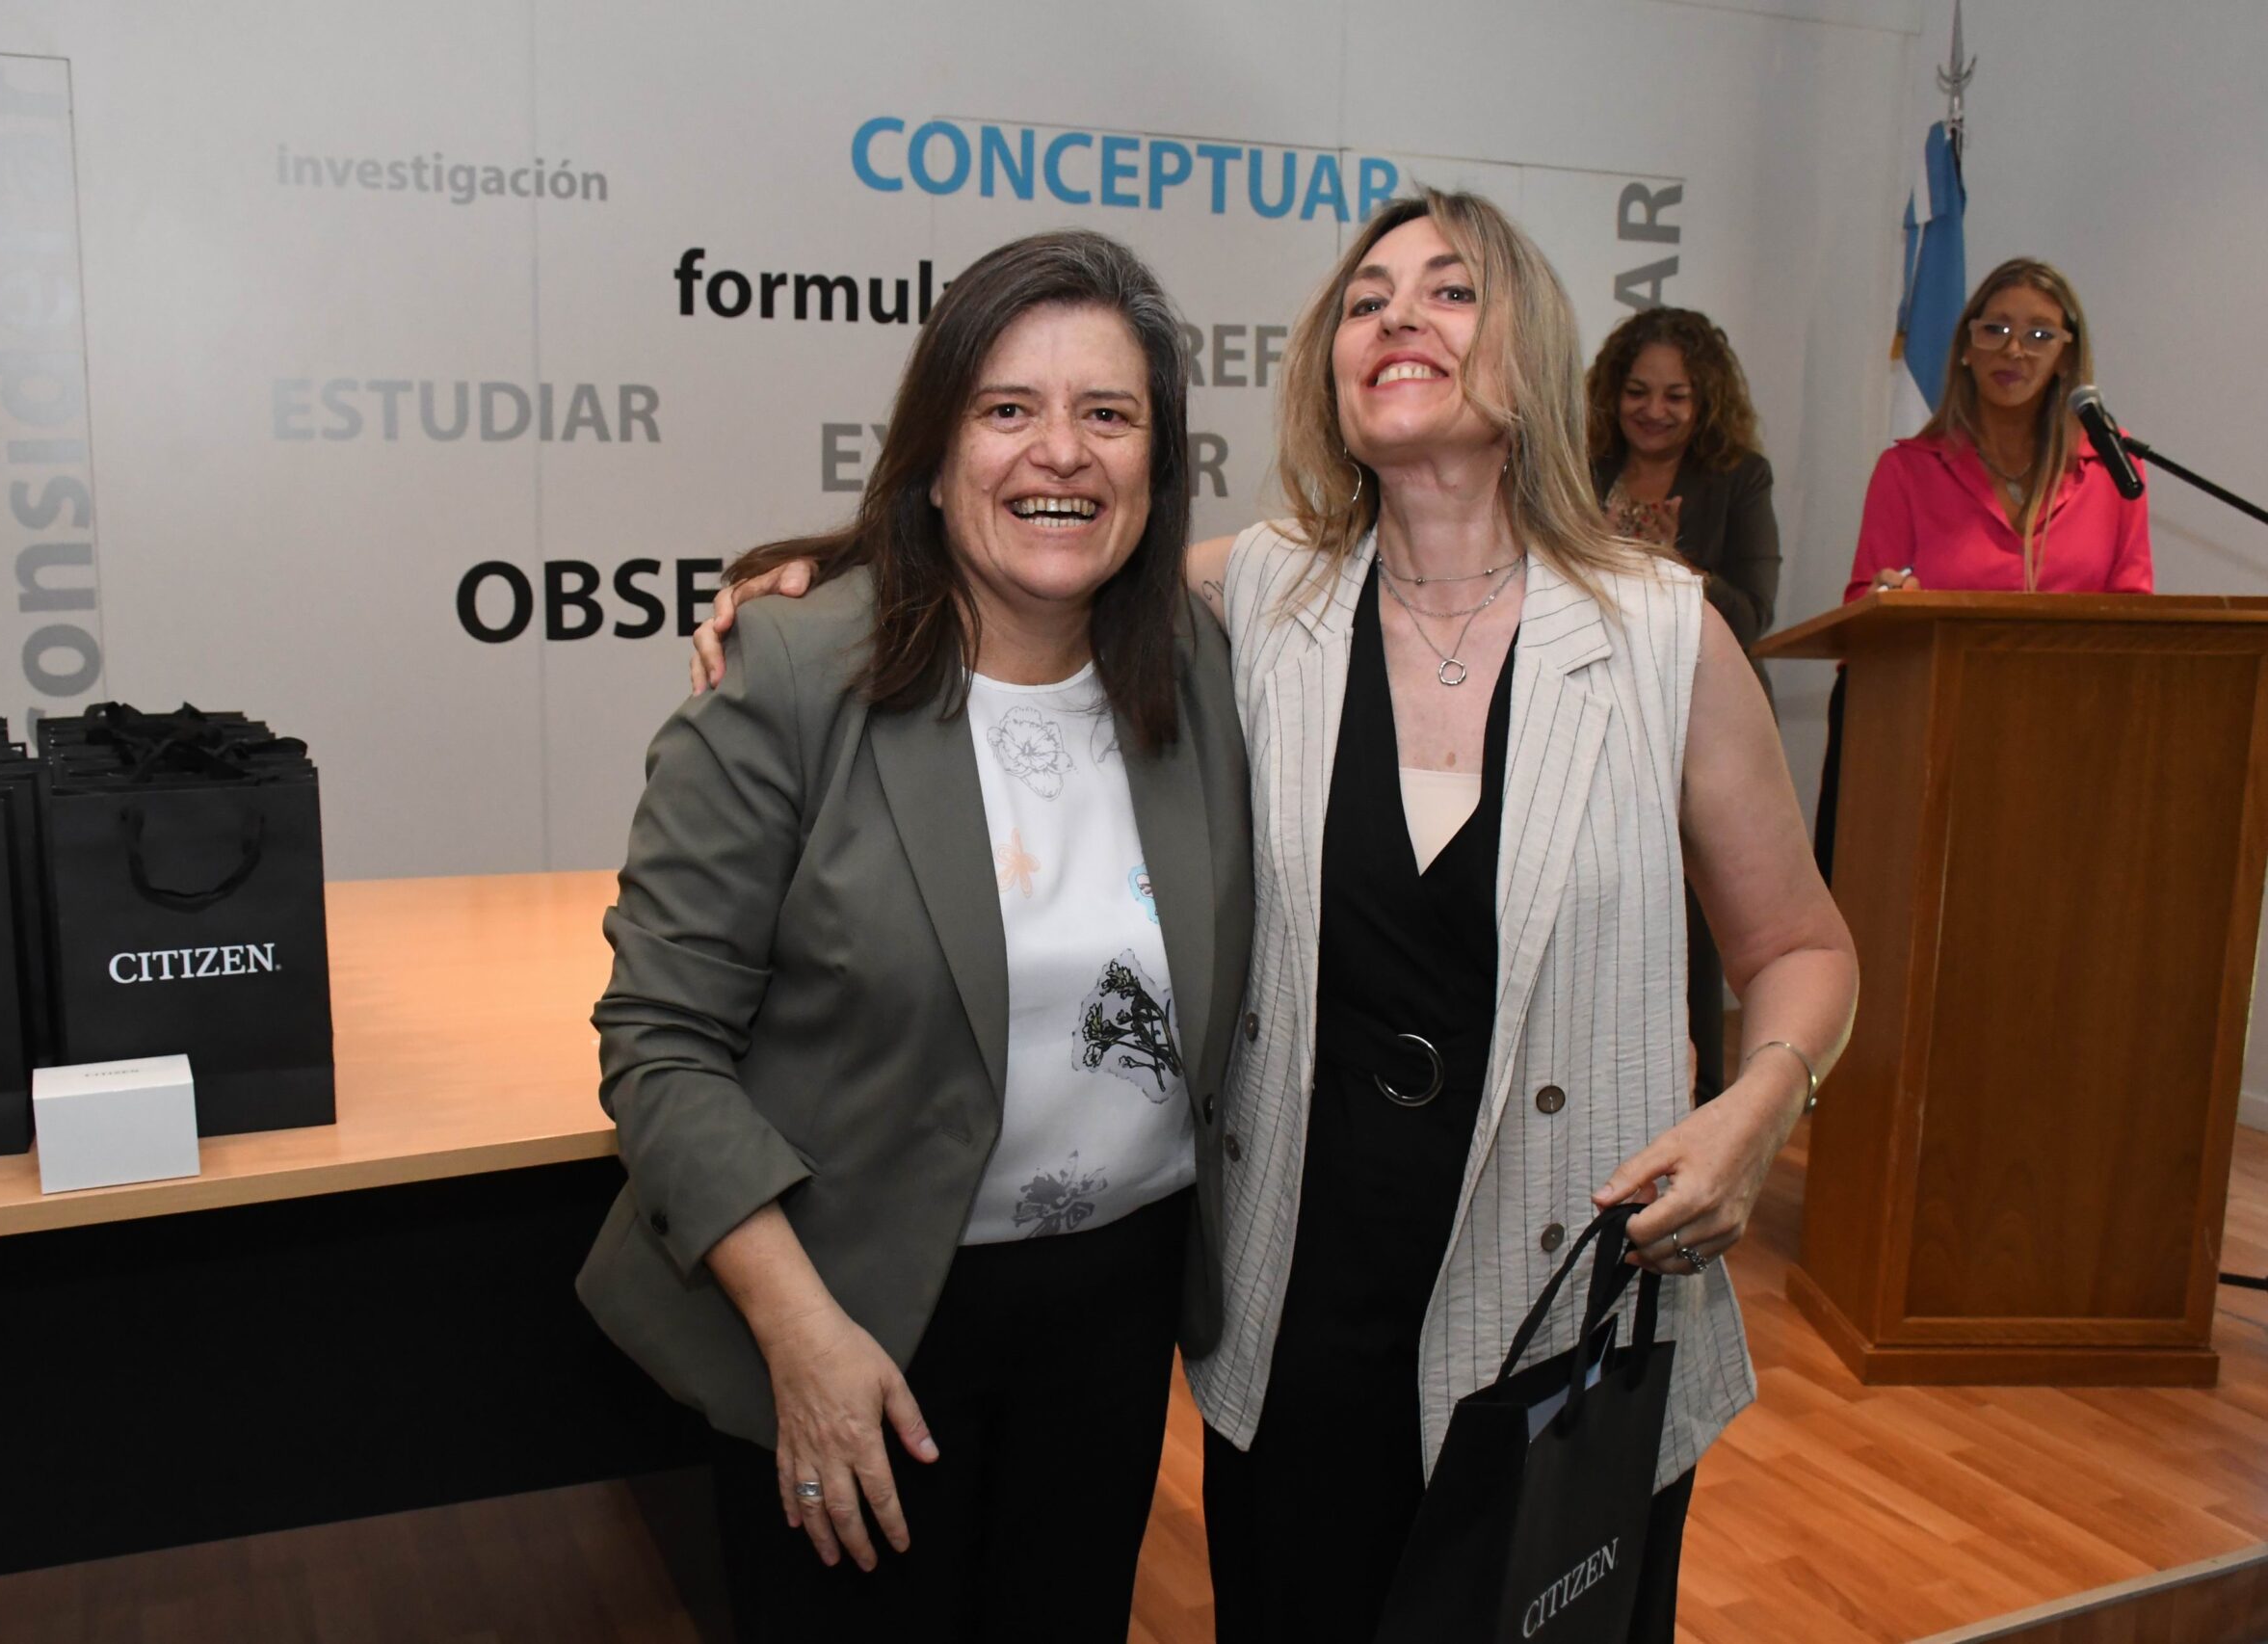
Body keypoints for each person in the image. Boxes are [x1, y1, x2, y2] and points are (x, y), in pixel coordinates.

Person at [693, 190, 1859, 1644]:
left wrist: (1761, 1105)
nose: (1397, 317)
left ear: (1532, 344)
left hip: (1564, 1298)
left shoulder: (1661, 634)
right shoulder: (1261, 597)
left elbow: (1800, 949)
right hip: (1304, 1300)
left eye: (1448, 290)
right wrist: (815, 582)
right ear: (1329, 364)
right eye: (1366, 300)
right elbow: (1025, 553)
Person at [580, 228, 1255, 1644]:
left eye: (1109, 413)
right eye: (1007, 409)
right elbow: (661, 1044)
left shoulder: (1197, 665)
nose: (1060, 452)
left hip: (1114, 1313)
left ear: (1158, 461)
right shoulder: (793, 670)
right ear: (936, 454)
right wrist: (801, 1334)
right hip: (851, 1309)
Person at [1817, 257, 2149, 873]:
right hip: (1935, 735)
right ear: (1966, 349)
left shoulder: (2111, 468)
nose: (2014, 349)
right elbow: (1862, 605)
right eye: (1994, 329)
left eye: (2039, 334)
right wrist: (1889, 599)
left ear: (2067, 357)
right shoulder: (1908, 469)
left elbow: (2134, 609)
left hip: (2068, 737)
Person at [1586, 305, 1782, 1103]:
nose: (1654, 411)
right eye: (1638, 391)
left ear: (1705, 401)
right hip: (1599, 713)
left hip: (1701, 719)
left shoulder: (1740, 477)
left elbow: (1753, 613)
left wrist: (1669, 565)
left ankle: (1699, 1097)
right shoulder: (1579, 469)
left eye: (1676, 395)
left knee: (1696, 922)